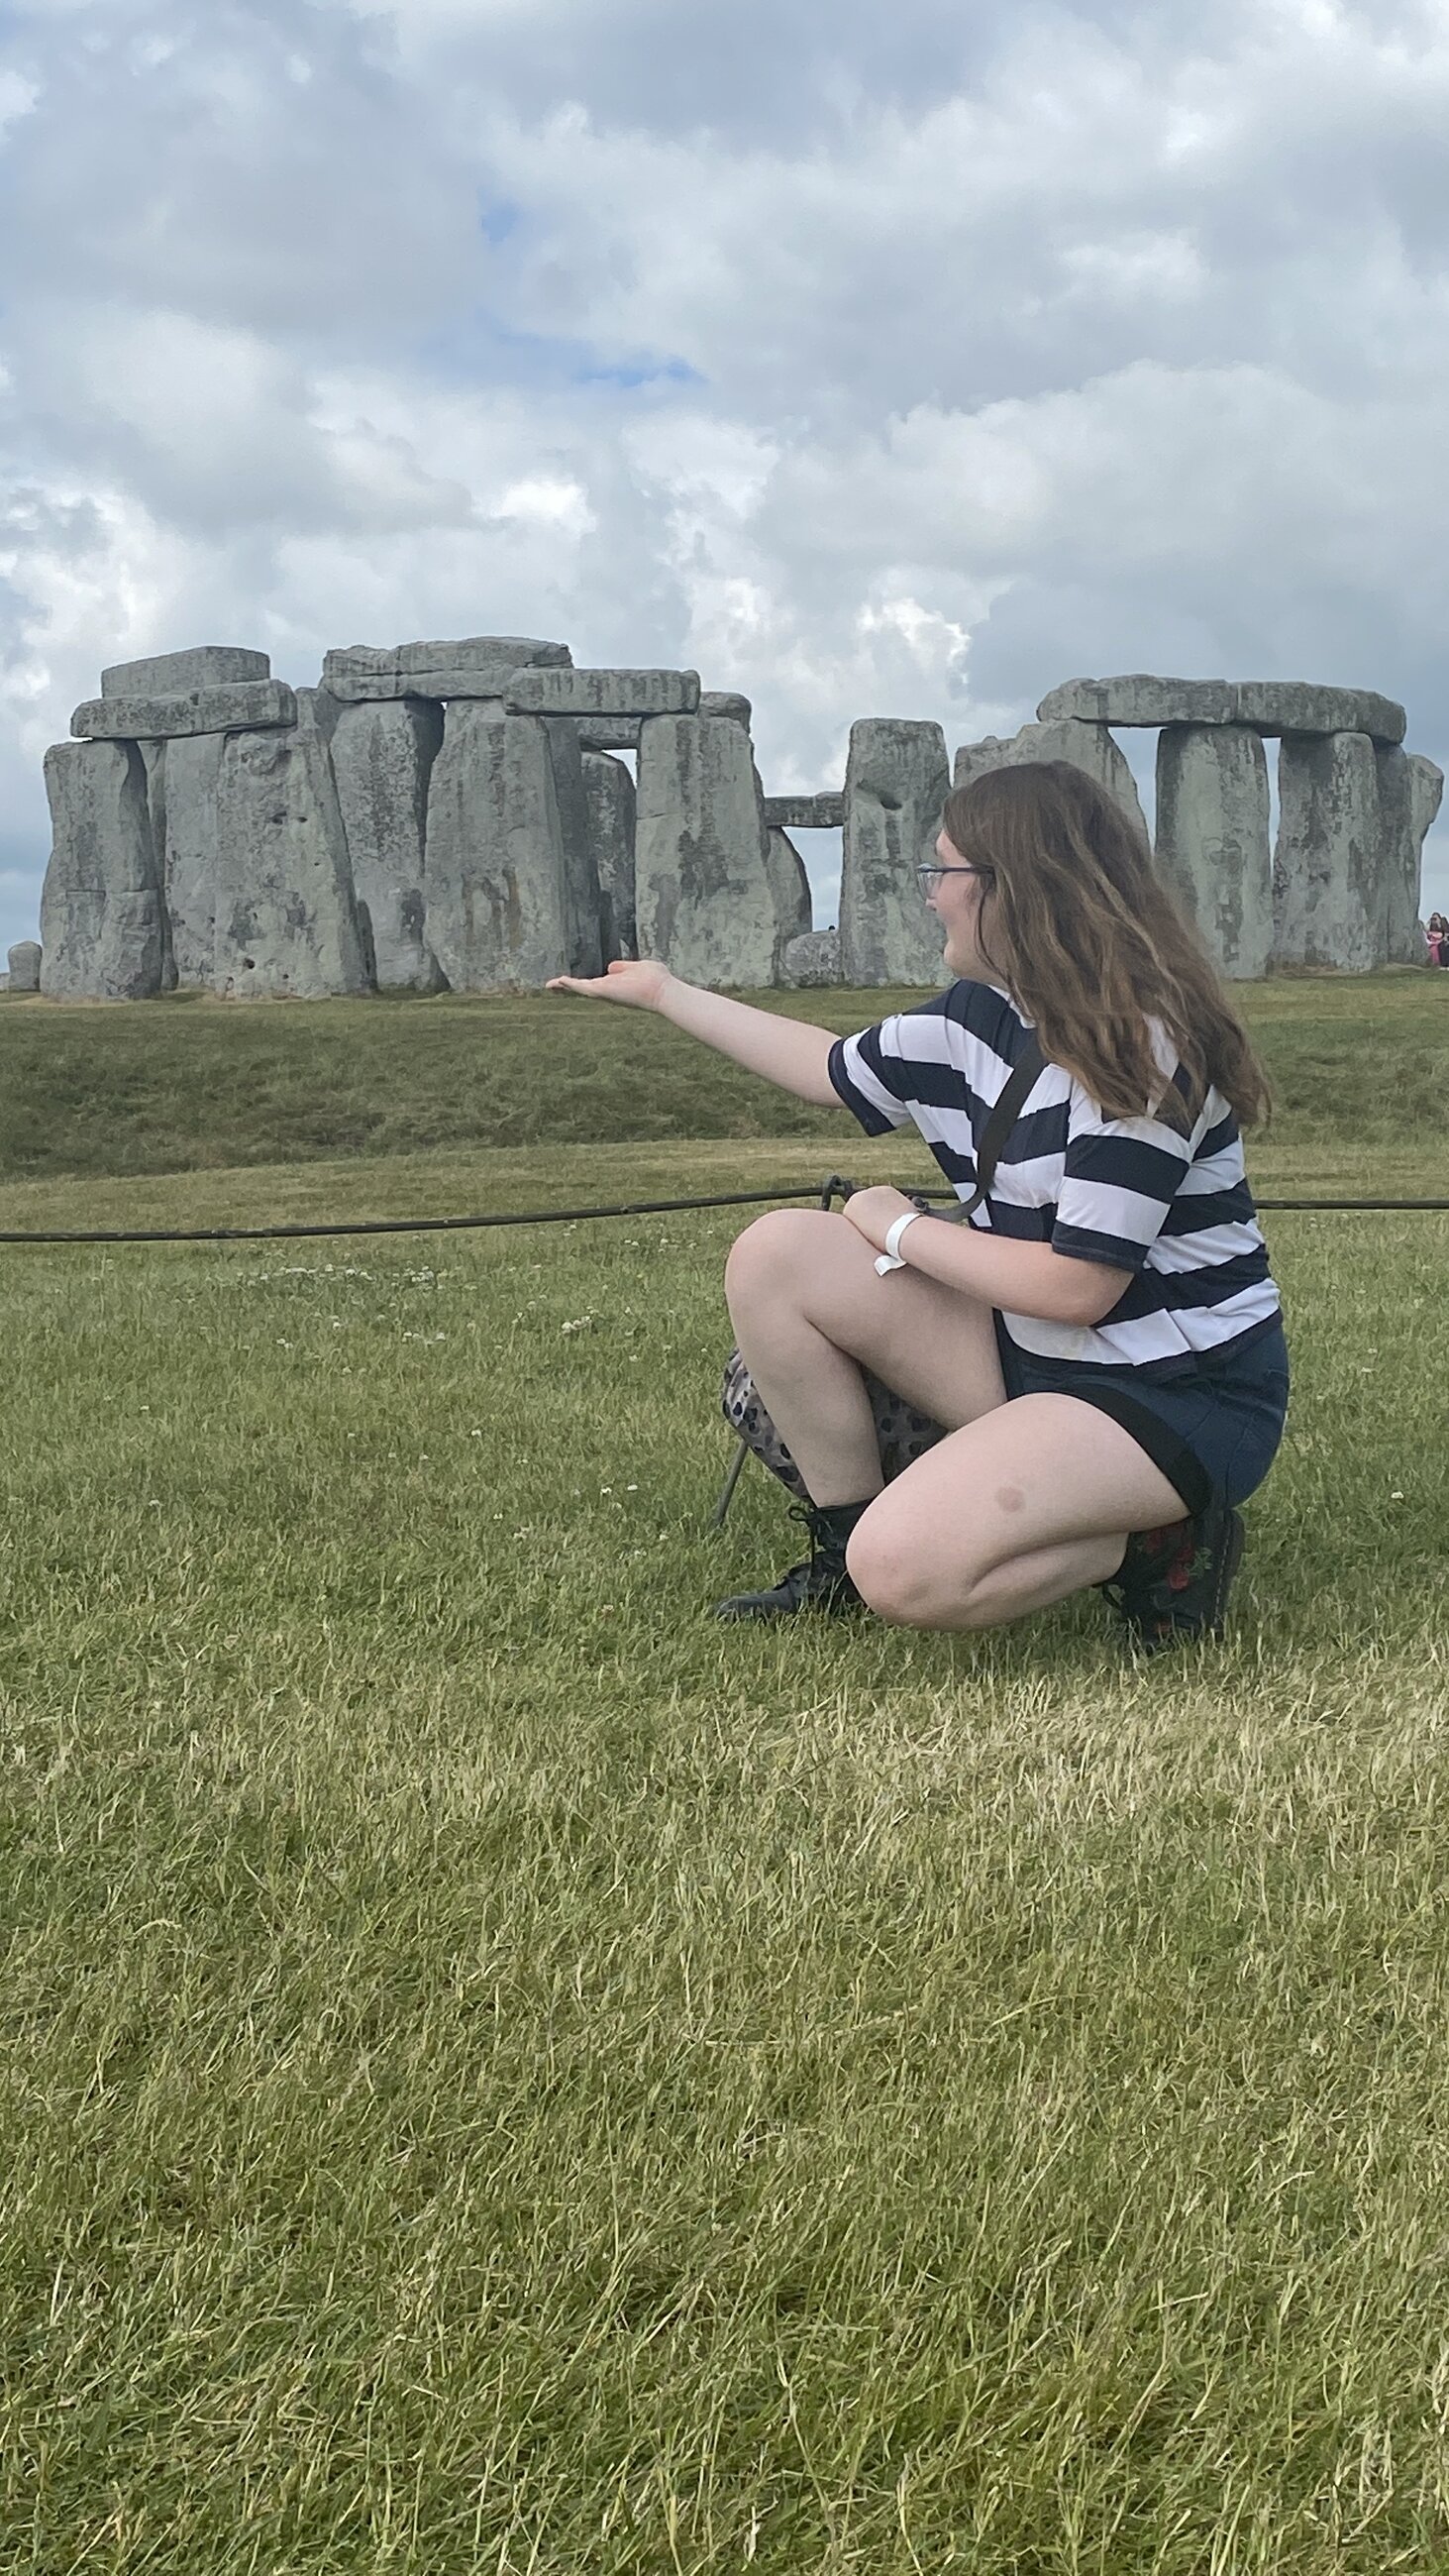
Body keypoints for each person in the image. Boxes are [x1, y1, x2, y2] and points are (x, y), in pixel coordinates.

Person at [548, 761, 1289, 1651]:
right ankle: (840, 1547)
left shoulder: (1141, 1041)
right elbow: (827, 1070)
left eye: (944, 872)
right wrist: (666, 993)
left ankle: (1161, 1543)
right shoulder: (975, 1017)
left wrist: (898, 1226)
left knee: (905, 1570)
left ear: (1012, 887)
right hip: (1033, 1354)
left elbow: (1076, 1288)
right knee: (776, 1252)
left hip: (1171, 1388)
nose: (929, 895)